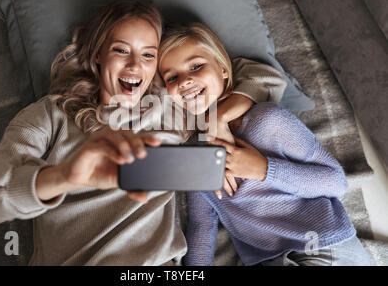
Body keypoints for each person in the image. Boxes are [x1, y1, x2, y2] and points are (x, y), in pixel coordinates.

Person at [0, 0, 286, 266]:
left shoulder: (173, 110)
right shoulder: (50, 115)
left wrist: (218, 118)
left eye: (148, 55)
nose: (134, 66)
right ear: (97, 54)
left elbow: (264, 77)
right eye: (120, 50)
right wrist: (65, 177)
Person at [158, 22, 372, 266]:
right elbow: (202, 226)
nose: (185, 80)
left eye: (196, 66)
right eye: (172, 77)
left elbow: (336, 182)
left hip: (322, 247)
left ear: (223, 69)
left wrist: (262, 169)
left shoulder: (267, 121)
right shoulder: (194, 156)